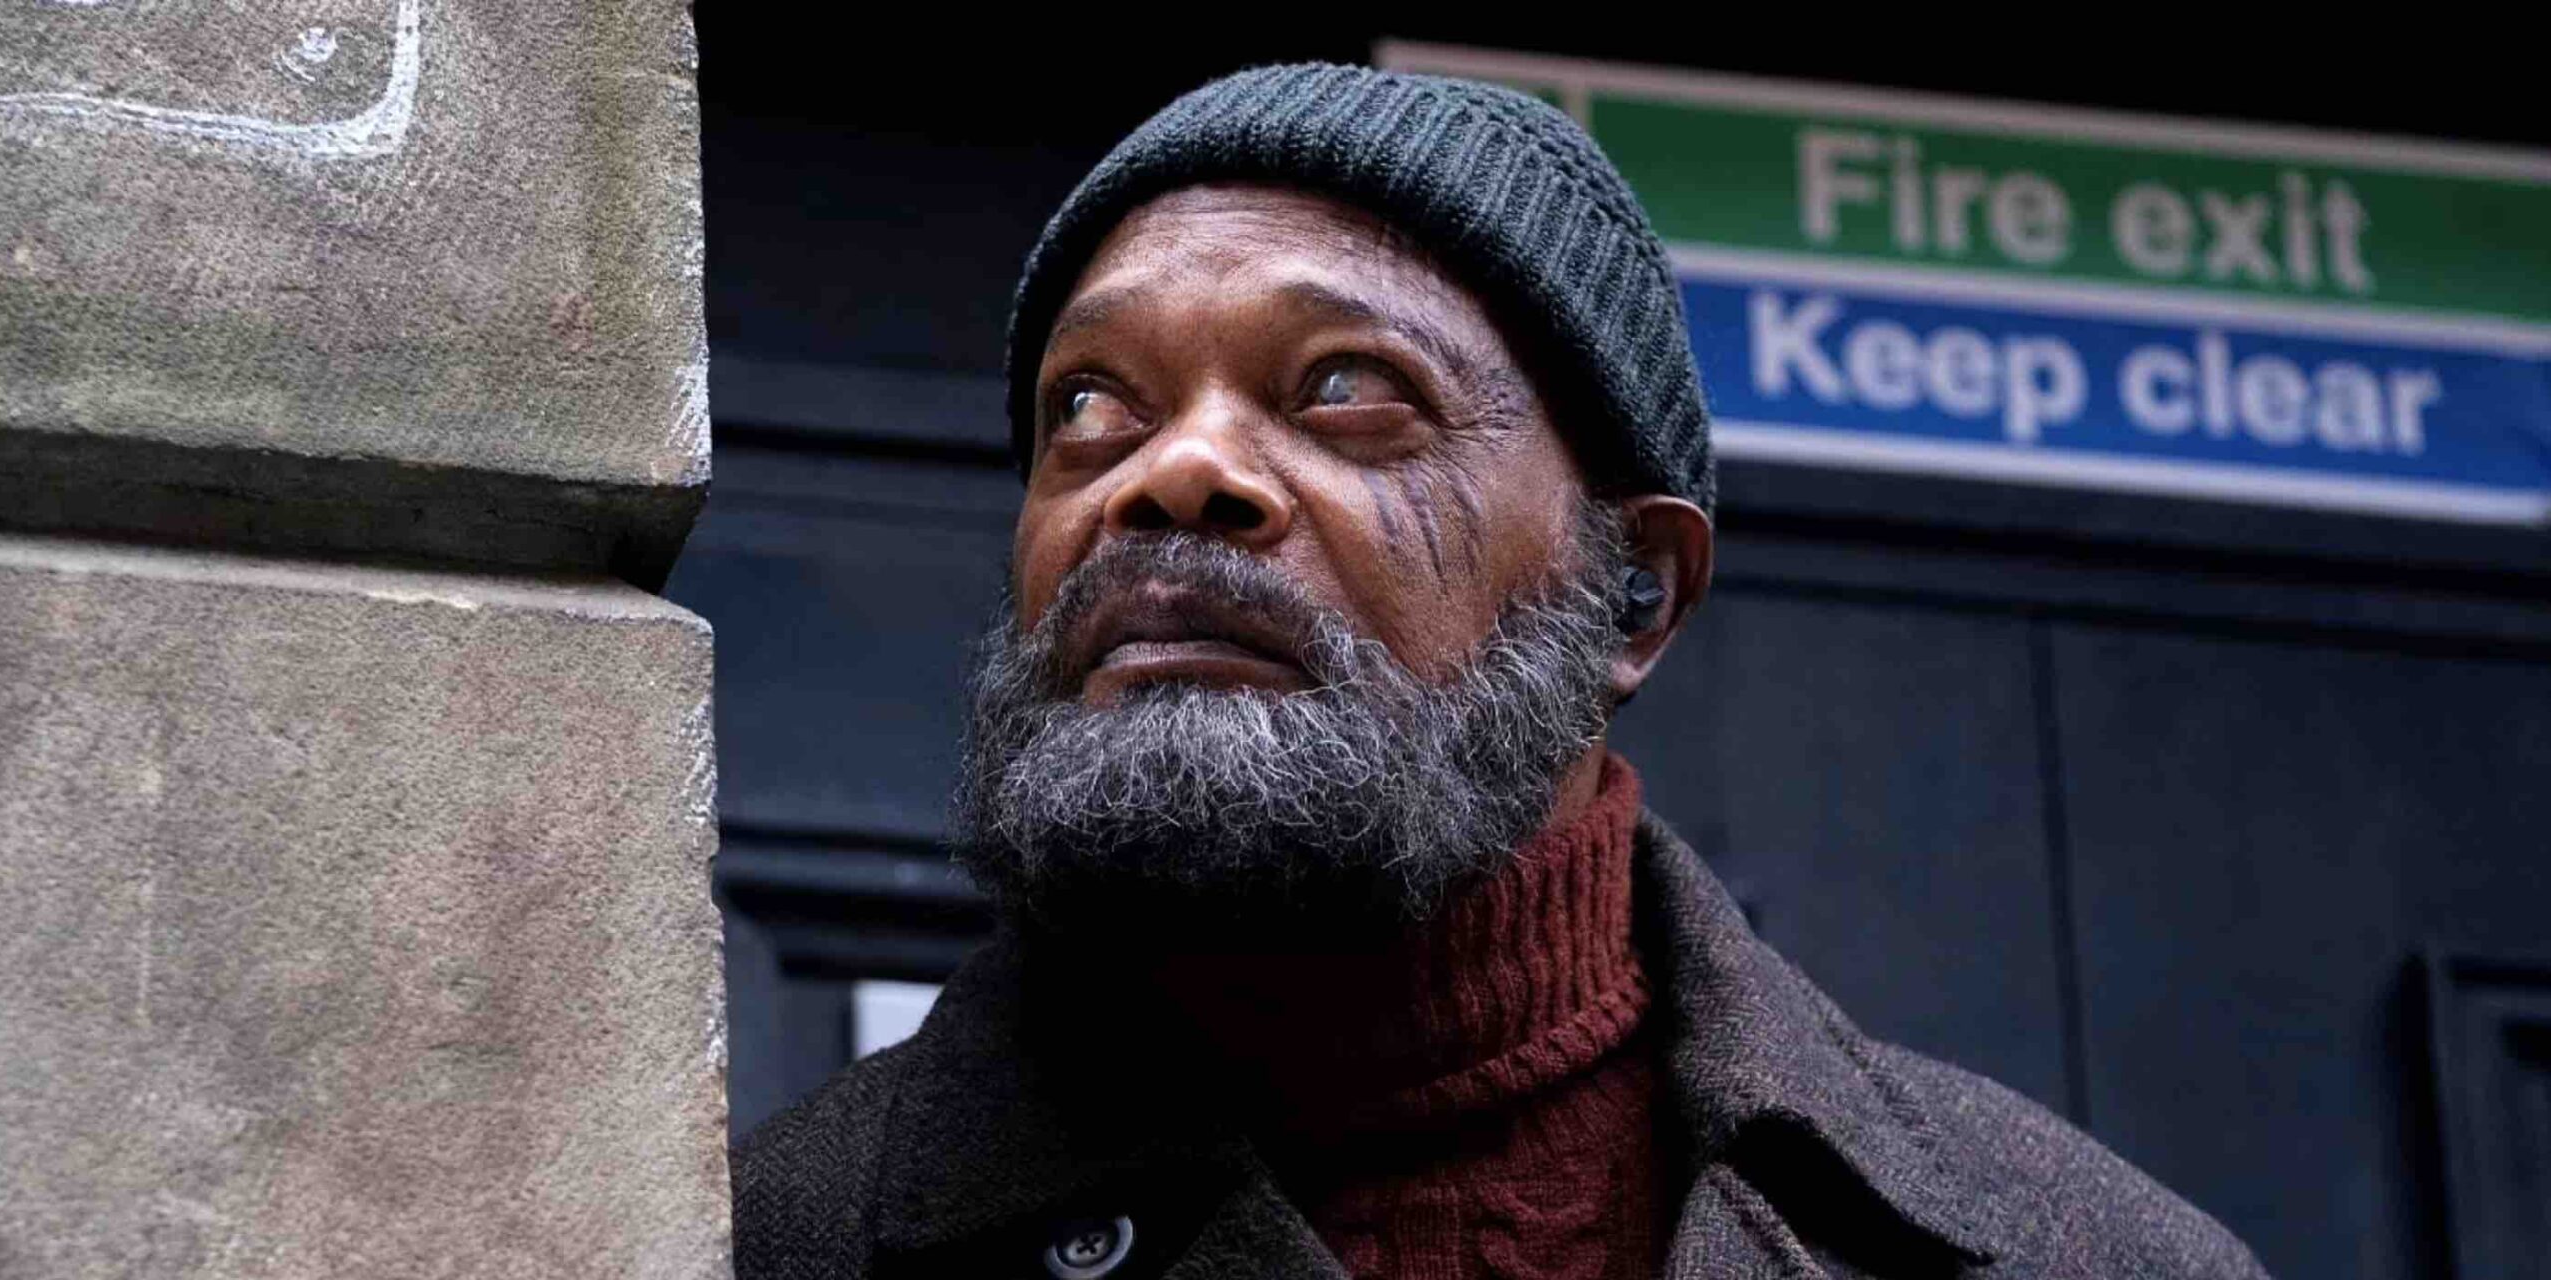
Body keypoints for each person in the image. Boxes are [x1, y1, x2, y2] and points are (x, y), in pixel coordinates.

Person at [733, 63, 2269, 1280]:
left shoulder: (2095, 1254)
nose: (1174, 468)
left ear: (1633, 595)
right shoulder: (749, 1247)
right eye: (1089, 404)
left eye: (1347, 386)